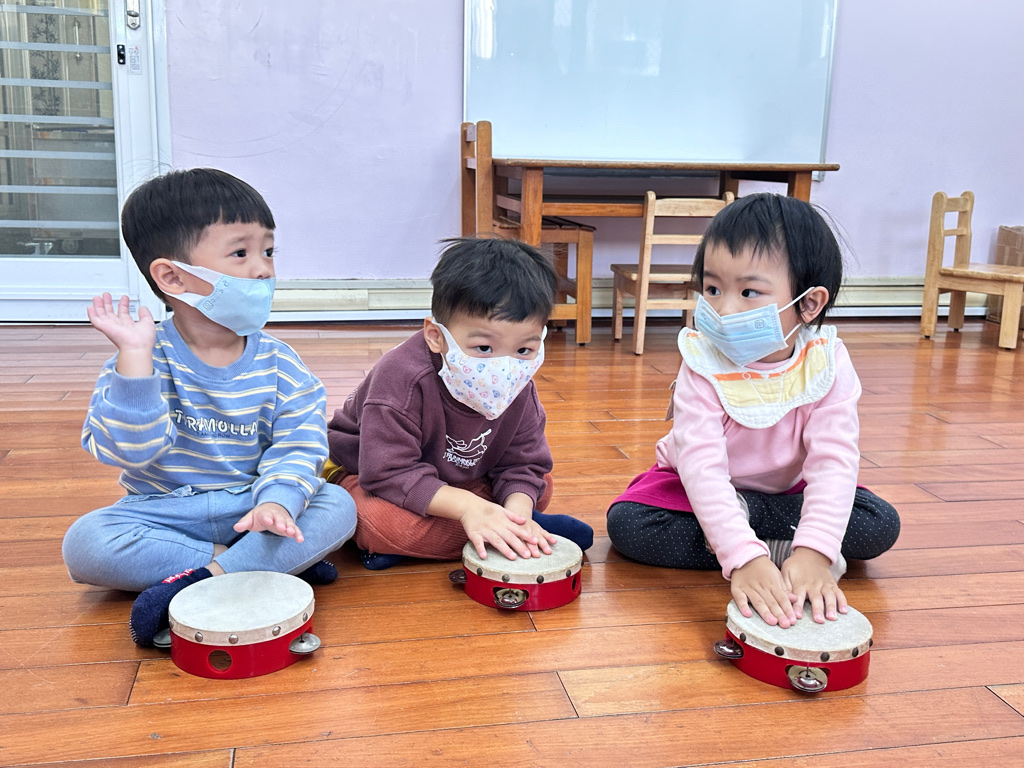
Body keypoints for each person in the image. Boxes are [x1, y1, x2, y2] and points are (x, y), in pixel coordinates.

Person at [62, 168, 357, 647]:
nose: (263, 269)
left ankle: (207, 577)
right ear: (172, 276)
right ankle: (260, 566)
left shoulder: (282, 363)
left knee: (338, 504)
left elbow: (300, 446)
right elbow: (129, 453)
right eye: (241, 253)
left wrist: (277, 502)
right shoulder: (141, 358)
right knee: (87, 542)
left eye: (268, 251)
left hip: (254, 504)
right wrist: (134, 362)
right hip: (164, 512)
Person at [606, 193, 900, 629]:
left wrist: (816, 553)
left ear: (809, 303)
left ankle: (774, 543)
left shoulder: (826, 362)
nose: (724, 309)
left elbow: (834, 462)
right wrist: (743, 558)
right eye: (712, 289)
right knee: (630, 524)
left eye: (749, 292)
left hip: (789, 493)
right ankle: (761, 548)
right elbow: (701, 467)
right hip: (698, 488)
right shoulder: (702, 360)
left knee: (878, 524)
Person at [326, 237, 593, 570]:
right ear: (436, 336)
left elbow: (524, 463)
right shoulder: (402, 378)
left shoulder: (518, 382)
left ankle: (504, 528)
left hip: (458, 480)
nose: (504, 367)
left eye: (524, 349)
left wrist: (519, 513)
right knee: (378, 523)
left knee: (540, 486)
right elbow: (386, 473)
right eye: (484, 348)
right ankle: (506, 533)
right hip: (371, 475)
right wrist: (469, 508)